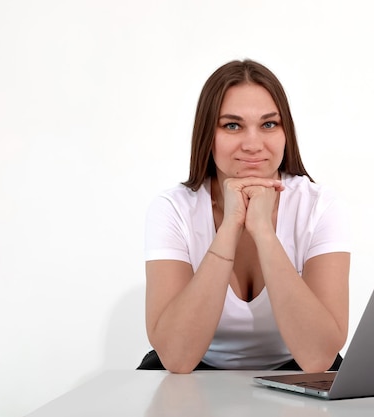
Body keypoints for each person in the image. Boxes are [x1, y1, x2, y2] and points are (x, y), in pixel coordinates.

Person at [138, 59, 351, 373]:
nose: (253, 144)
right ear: (207, 134)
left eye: (268, 124)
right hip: (196, 368)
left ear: (285, 132)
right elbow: (177, 358)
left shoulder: (319, 205)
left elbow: (319, 358)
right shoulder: (173, 208)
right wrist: (230, 226)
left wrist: (263, 231)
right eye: (232, 125)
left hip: (296, 367)